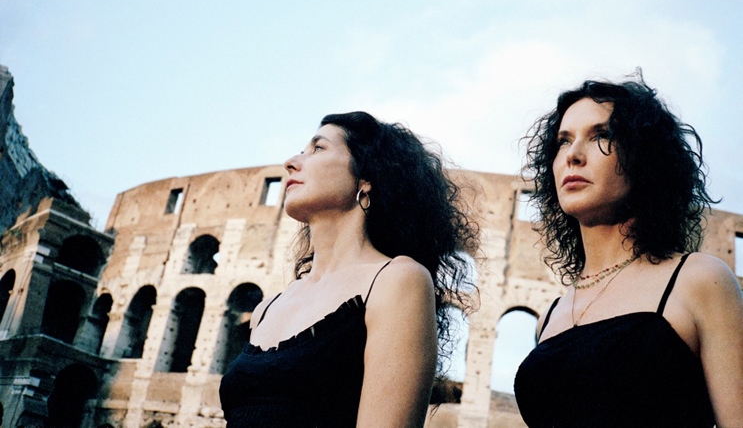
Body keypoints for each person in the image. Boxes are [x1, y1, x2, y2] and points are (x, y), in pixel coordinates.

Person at [220, 111, 478, 428]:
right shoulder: (266, 309)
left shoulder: (397, 281)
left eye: (318, 148)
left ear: (366, 177)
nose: (291, 162)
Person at [514, 72, 743, 427]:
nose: (573, 155)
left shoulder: (699, 280)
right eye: (563, 141)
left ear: (644, 157)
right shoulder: (551, 316)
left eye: (601, 135)